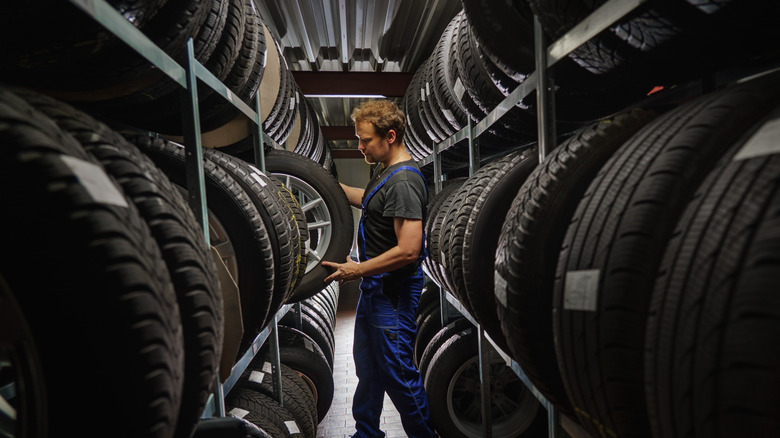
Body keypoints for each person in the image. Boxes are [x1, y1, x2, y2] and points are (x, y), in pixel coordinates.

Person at [322, 100, 437, 438]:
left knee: (398, 374)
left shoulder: (404, 182)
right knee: (369, 370)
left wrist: (357, 270)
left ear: (390, 136)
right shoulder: (385, 172)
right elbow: (369, 199)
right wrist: (327, 186)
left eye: (365, 140)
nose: (359, 147)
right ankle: (367, 434)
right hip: (375, 291)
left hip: (392, 294)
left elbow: (409, 249)